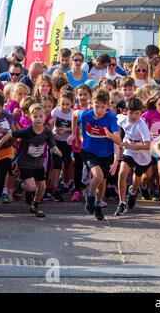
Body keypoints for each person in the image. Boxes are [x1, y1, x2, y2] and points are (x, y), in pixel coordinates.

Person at [0, 104, 62, 218]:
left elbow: (52, 145)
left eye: (41, 116)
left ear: (45, 117)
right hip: (25, 162)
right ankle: (20, 186)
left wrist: (56, 150)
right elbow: (10, 134)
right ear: (30, 117)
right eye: (35, 116)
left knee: (43, 187)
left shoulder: (47, 131)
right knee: (32, 187)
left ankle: (35, 205)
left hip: (38, 163)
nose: (38, 119)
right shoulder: (27, 131)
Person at [69, 89, 122, 221]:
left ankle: (98, 205)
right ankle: (90, 195)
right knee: (98, 175)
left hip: (105, 153)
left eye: (102, 107)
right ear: (91, 104)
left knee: (103, 181)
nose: (99, 110)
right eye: (96, 106)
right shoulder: (86, 115)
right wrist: (74, 133)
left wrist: (110, 135)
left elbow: (119, 140)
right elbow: (74, 114)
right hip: (88, 151)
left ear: (107, 106)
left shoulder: (110, 118)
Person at [115, 98, 152, 215]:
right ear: (126, 111)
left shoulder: (142, 125)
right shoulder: (121, 119)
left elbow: (147, 145)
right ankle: (121, 203)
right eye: (131, 112)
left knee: (137, 181)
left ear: (141, 113)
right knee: (122, 172)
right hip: (129, 151)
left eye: (137, 113)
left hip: (142, 153)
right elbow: (111, 118)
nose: (134, 116)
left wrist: (131, 146)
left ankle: (133, 191)